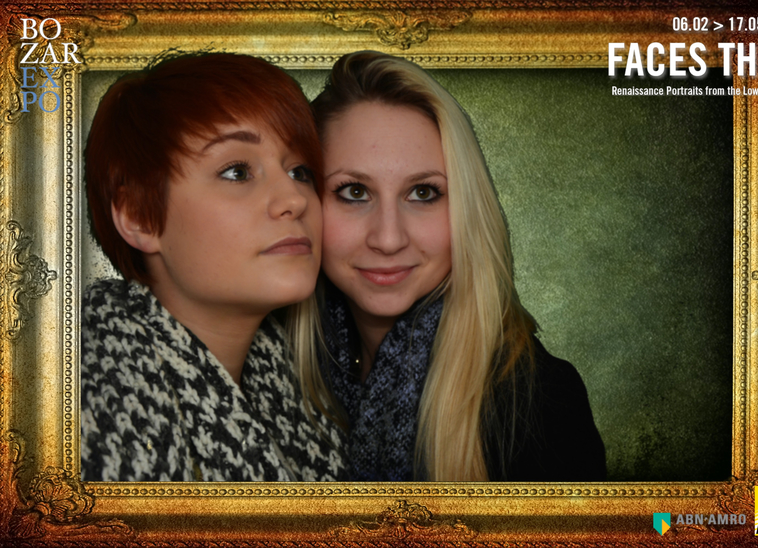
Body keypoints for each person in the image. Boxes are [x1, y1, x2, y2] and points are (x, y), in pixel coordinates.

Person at [305, 51, 606, 481]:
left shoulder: (539, 403)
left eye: (423, 193)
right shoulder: (274, 375)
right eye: (354, 192)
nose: (388, 238)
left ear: (467, 209)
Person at [81, 52, 344, 482]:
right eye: (237, 172)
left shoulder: (304, 391)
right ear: (138, 216)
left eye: (300, 172)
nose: (295, 199)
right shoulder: (83, 407)